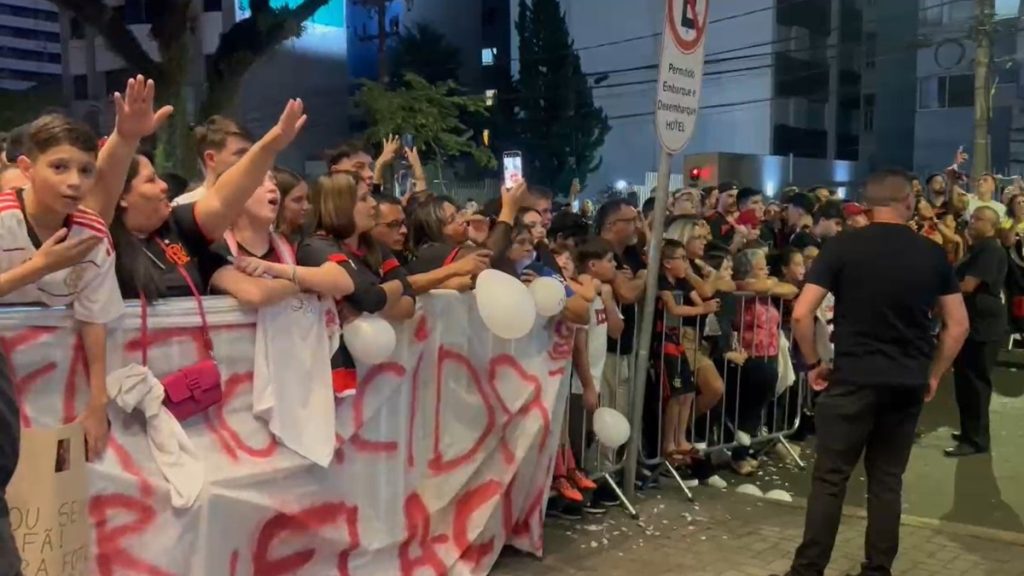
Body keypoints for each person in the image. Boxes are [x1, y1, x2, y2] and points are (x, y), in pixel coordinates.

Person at [776, 169, 968, 576]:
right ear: (907, 202)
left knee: (830, 478)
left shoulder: (843, 247)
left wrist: (813, 364)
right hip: (906, 381)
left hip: (852, 377)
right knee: (886, 481)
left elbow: (801, 313)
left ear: (868, 204)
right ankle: (877, 570)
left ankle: (807, 570)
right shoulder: (931, 253)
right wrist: (933, 372)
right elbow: (958, 325)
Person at [296, 172, 416, 398]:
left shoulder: (373, 246)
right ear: (340, 205)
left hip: (375, 372)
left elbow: (407, 299)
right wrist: (385, 292)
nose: (374, 205)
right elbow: (368, 297)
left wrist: (385, 293)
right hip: (327, 371)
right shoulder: (316, 247)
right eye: (364, 198)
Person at [948, 205, 1007, 457]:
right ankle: (969, 431)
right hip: (971, 322)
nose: (972, 222)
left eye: (979, 219)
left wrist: (941, 293)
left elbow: (969, 285)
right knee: (964, 379)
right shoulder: (977, 248)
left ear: (992, 225)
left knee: (975, 383)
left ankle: (976, 439)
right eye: (971, 218)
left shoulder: (990, 249)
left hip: (983, 324)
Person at [172, 115, 253, 206]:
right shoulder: (183, 206)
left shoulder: (260, 204)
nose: (251, 160)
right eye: (240, 154)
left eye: (251, 154)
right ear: (211, 158)